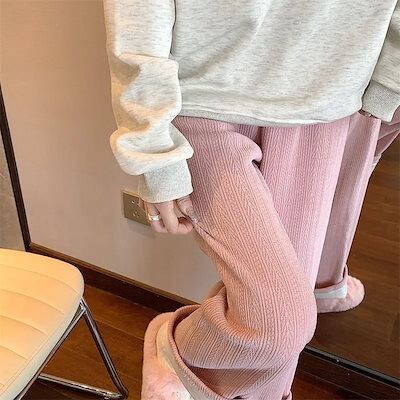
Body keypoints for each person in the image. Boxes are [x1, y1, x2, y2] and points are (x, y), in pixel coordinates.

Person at [102, 0, 400, 398]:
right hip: (207, 104)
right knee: (277, 324)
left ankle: (323, 290)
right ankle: (175, 349)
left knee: (309, 256)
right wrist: (154, 154)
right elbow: (137, 21)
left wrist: (387, 84)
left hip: (332, 98)